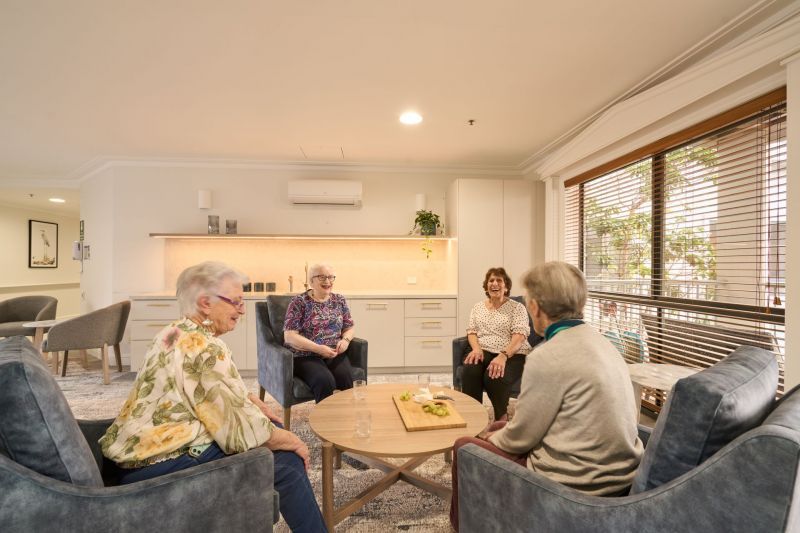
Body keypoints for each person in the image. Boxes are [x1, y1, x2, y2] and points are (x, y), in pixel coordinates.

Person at [100, 261, 326, 533]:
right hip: (160, 462)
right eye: (236, 302)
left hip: (135, 452)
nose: (242, 310)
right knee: (287, 460)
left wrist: (249, 399)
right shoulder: (205, 347)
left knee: (271, 430)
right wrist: (293, 440)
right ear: (206, 303)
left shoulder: (173, 332)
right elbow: (235, 431)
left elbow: (201, 389)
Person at [450, 261, 643, 531]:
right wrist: (497, 430)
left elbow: (521, 438)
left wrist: (489, 437)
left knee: (464, 445)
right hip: (621, 472)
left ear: (536, 307)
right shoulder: (603, 342)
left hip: (577, 481)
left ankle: (462, 527)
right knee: (497, 425)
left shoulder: (547, 356)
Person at [461, 267, 532, 420]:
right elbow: (471, 331)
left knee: (494, 376)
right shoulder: (477, 307)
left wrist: (503, 356)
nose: (494, 283)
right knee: (469, 371)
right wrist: (476, 349)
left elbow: (519, 336)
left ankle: (501, 418)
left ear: (506, 286)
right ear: (486, 286)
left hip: (513, 352)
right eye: (491, 280)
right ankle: (475, 415)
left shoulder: (517, 308)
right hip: (484, 349)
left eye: (499, 280)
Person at [284, 263, 355, 402]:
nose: (327, 281)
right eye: (322, 277)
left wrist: (345, 340)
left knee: (347, 379)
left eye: (330, 277)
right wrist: (318, 349)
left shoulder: (339, 300)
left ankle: (346, 417)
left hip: (334, 352)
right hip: (305, 355)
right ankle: (324, 421)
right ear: (311, 281)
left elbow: (349, 327)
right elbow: (289, 336)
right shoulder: (299, 302)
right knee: (324, 381)